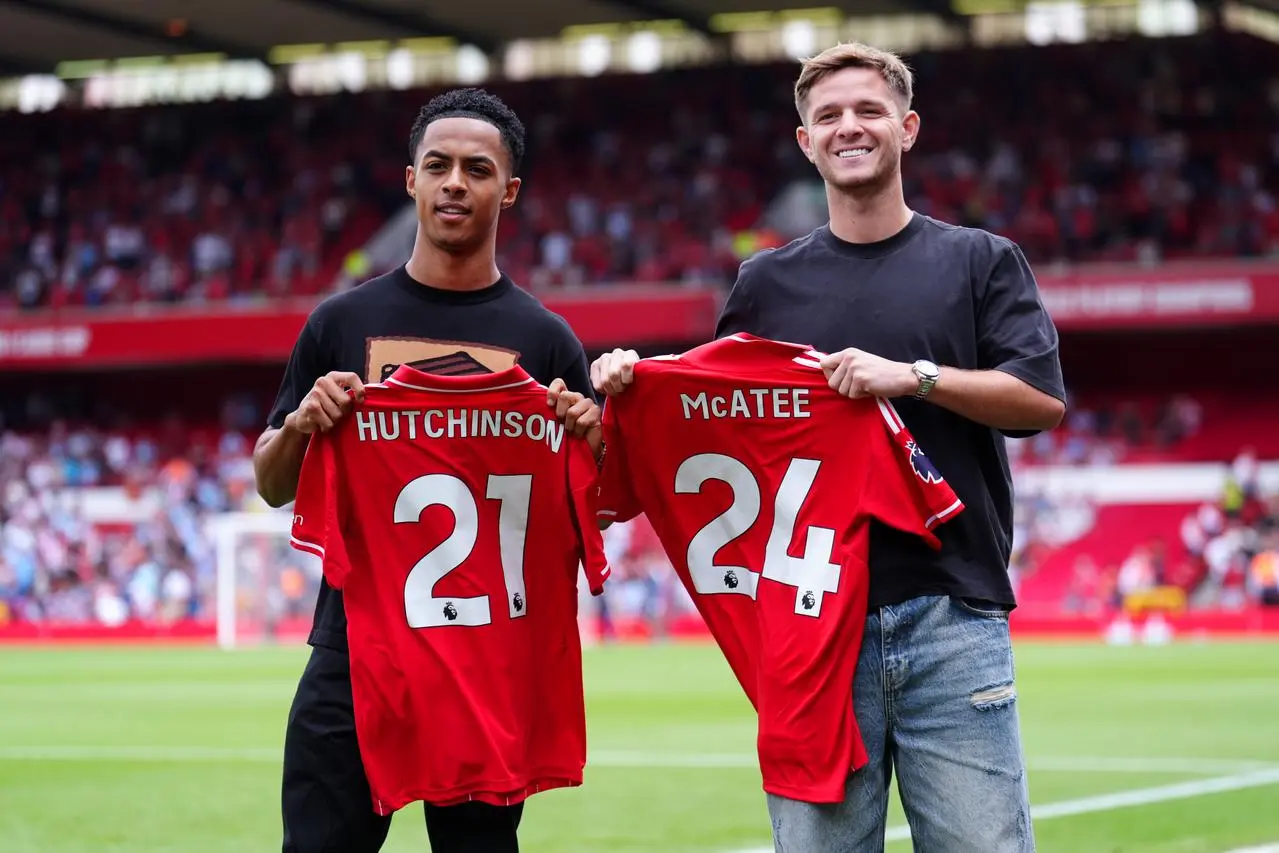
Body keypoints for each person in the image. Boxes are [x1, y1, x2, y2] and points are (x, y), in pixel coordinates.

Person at [591, 42, 1065, 853]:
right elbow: (715, 426)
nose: (850, 127)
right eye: (829, 116)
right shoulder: (764, 284)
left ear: (907, 128)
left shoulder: (978, 260)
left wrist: (912, 377)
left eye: (869, 111)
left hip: (950, 614)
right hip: (808, 623)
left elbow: (1039, 402)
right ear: (805, 142)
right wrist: (631, 382)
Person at [253, 87, 600, 853]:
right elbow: (271, 482)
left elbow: (595, 508)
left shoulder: (545, 339)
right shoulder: (339, 323)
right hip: (352, 647)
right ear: (409, 179)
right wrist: (303, 427)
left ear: (506, 190)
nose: (453, 182)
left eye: (476, 169)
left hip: (486, 656)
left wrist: (596, 441)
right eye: (436, 165)